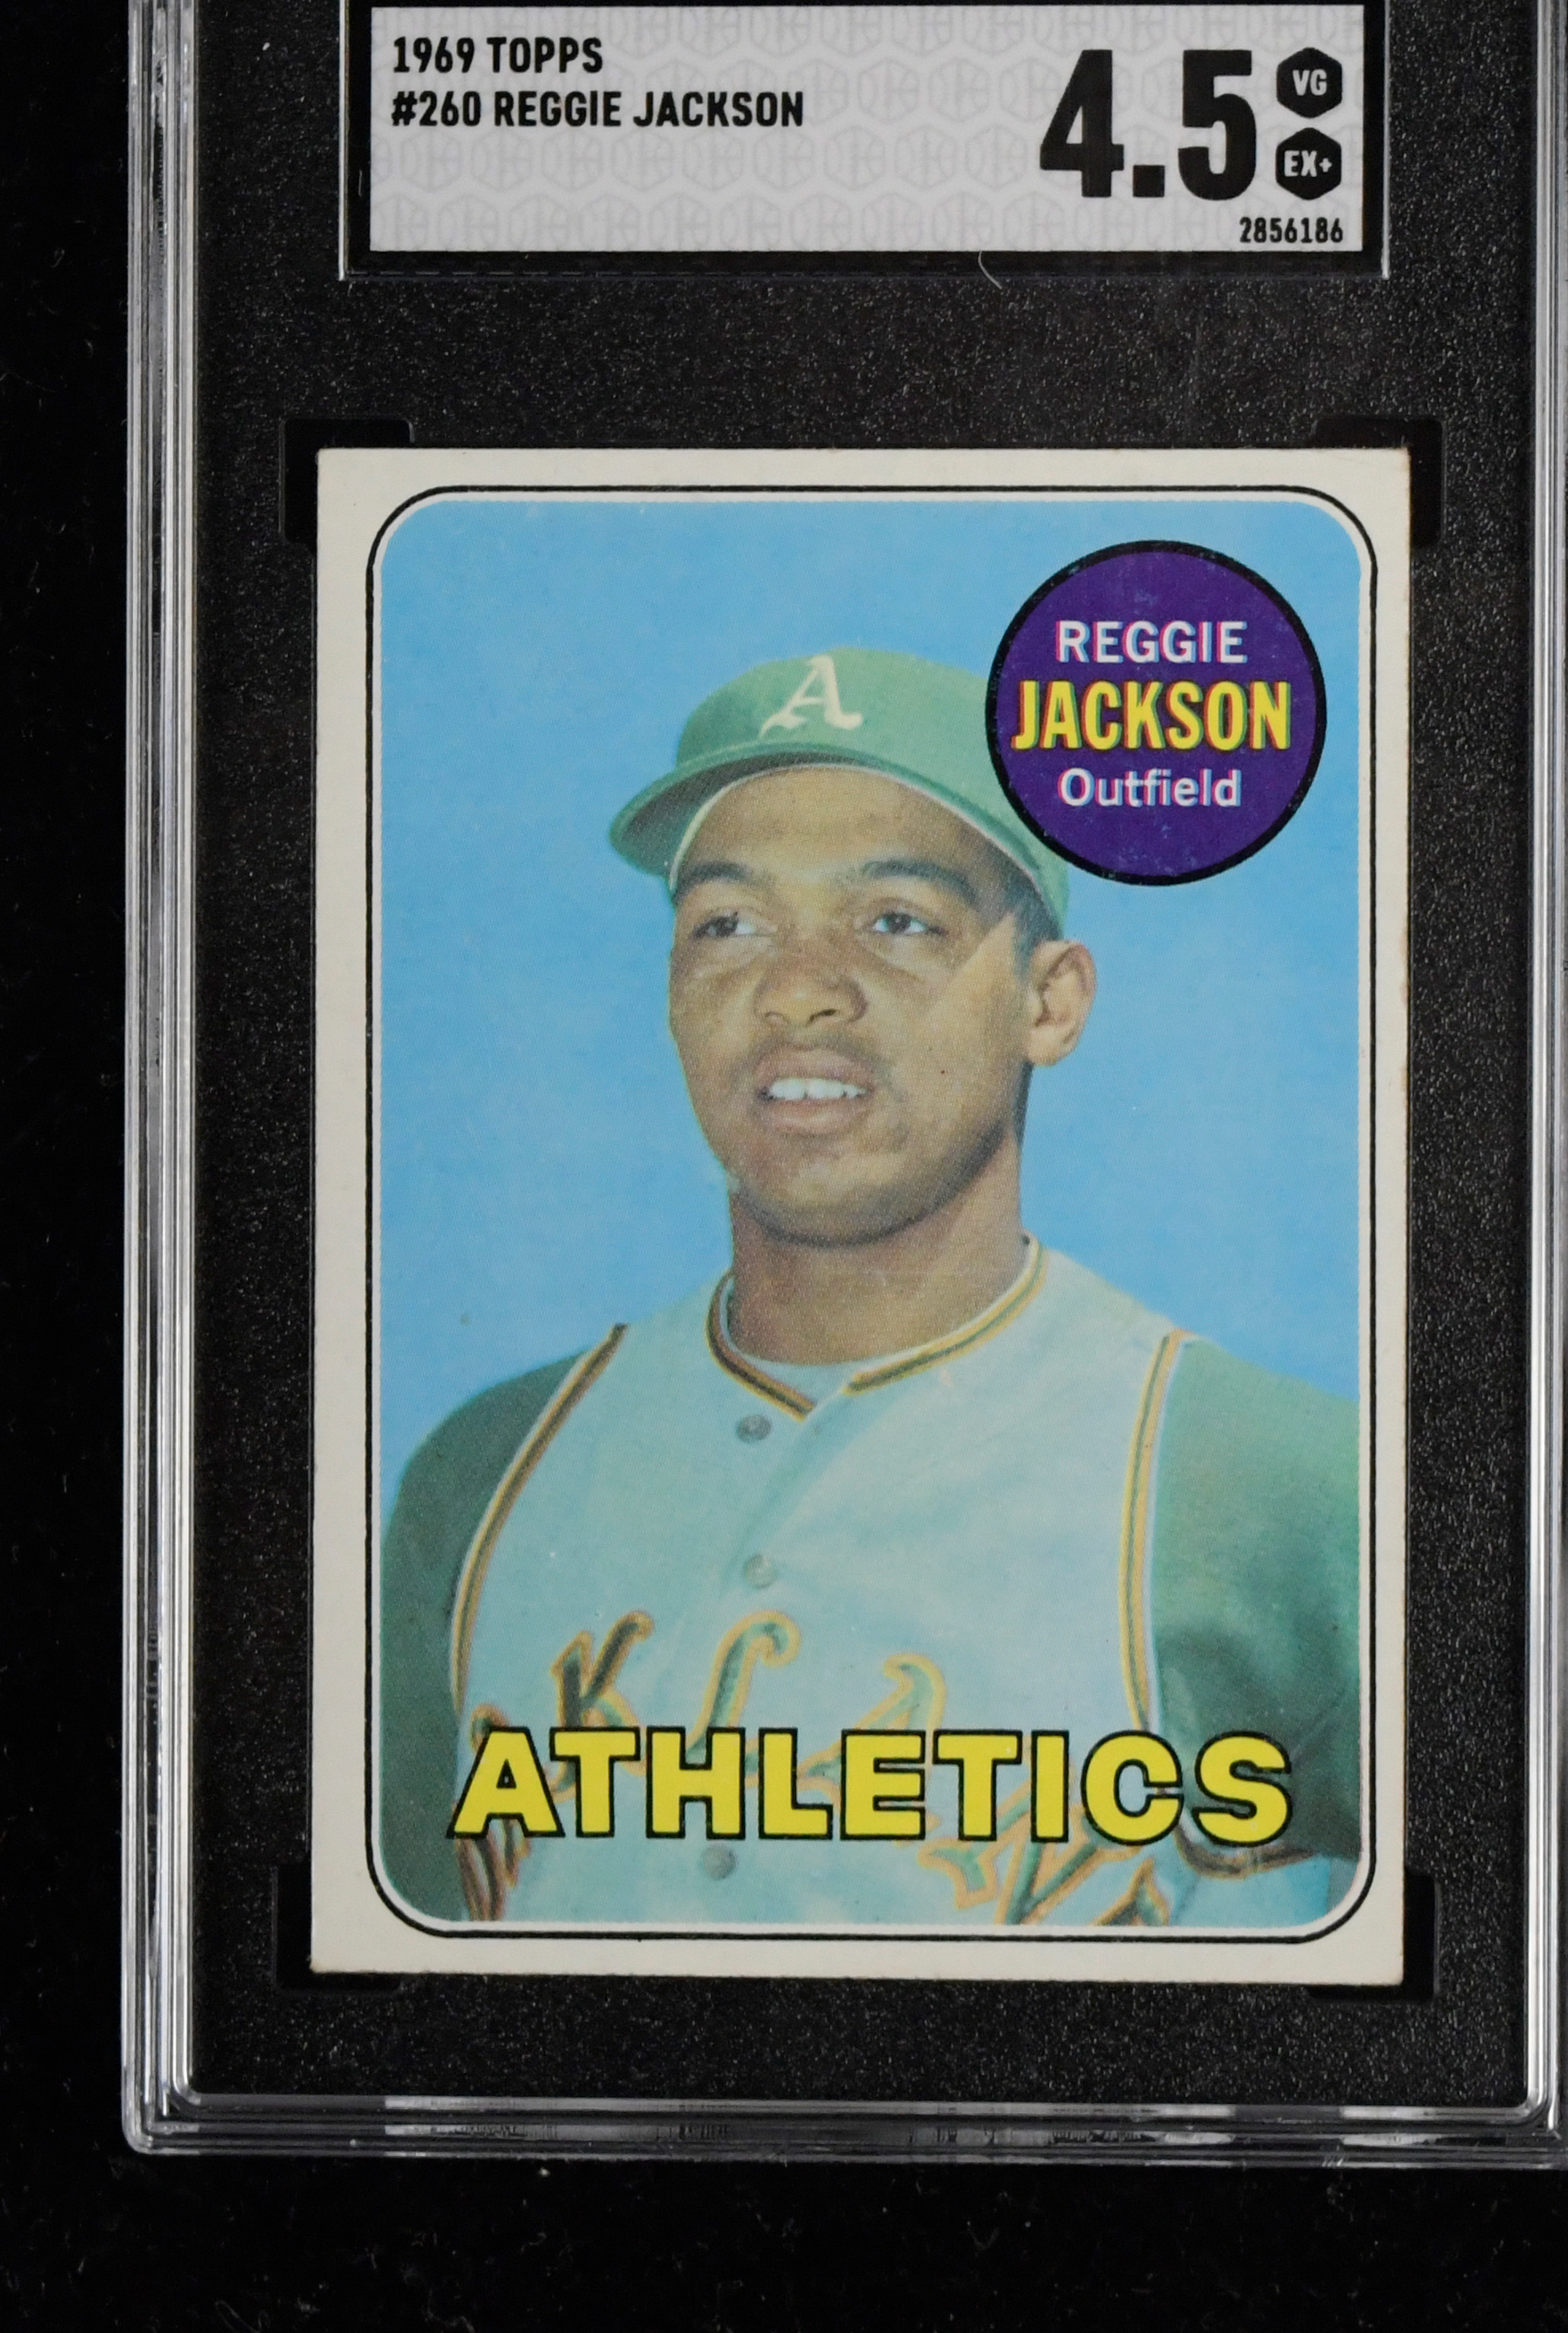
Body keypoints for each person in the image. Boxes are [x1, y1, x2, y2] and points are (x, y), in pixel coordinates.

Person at [379, 648, 1360, 1934]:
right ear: (670, 993)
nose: (796, 988)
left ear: (1049, 1001)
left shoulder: (1274, 1482)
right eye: (727, 925)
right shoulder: (486, 1471)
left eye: (896, 920)